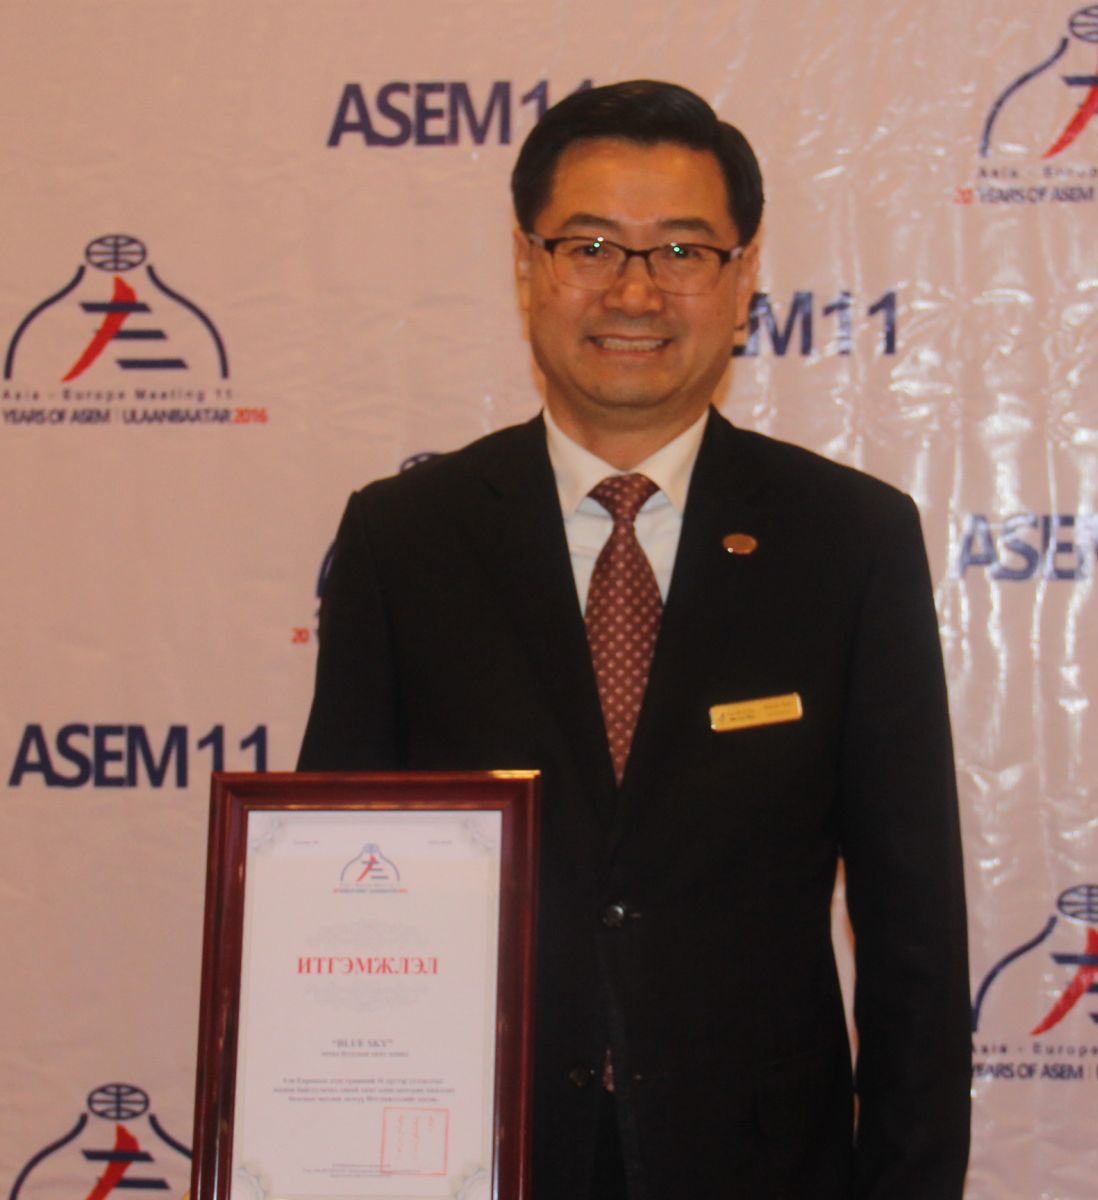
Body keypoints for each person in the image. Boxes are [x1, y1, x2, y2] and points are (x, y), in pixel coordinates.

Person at [299, 79, 970, 1200]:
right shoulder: (404, 538)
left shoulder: (847, 539)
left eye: (683, 252)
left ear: (743, 279)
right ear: (528, 266)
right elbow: (333, 891)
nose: (633, 290)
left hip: (760, 1167)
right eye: (592, 246)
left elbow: (914, 932)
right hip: (473, 1157)